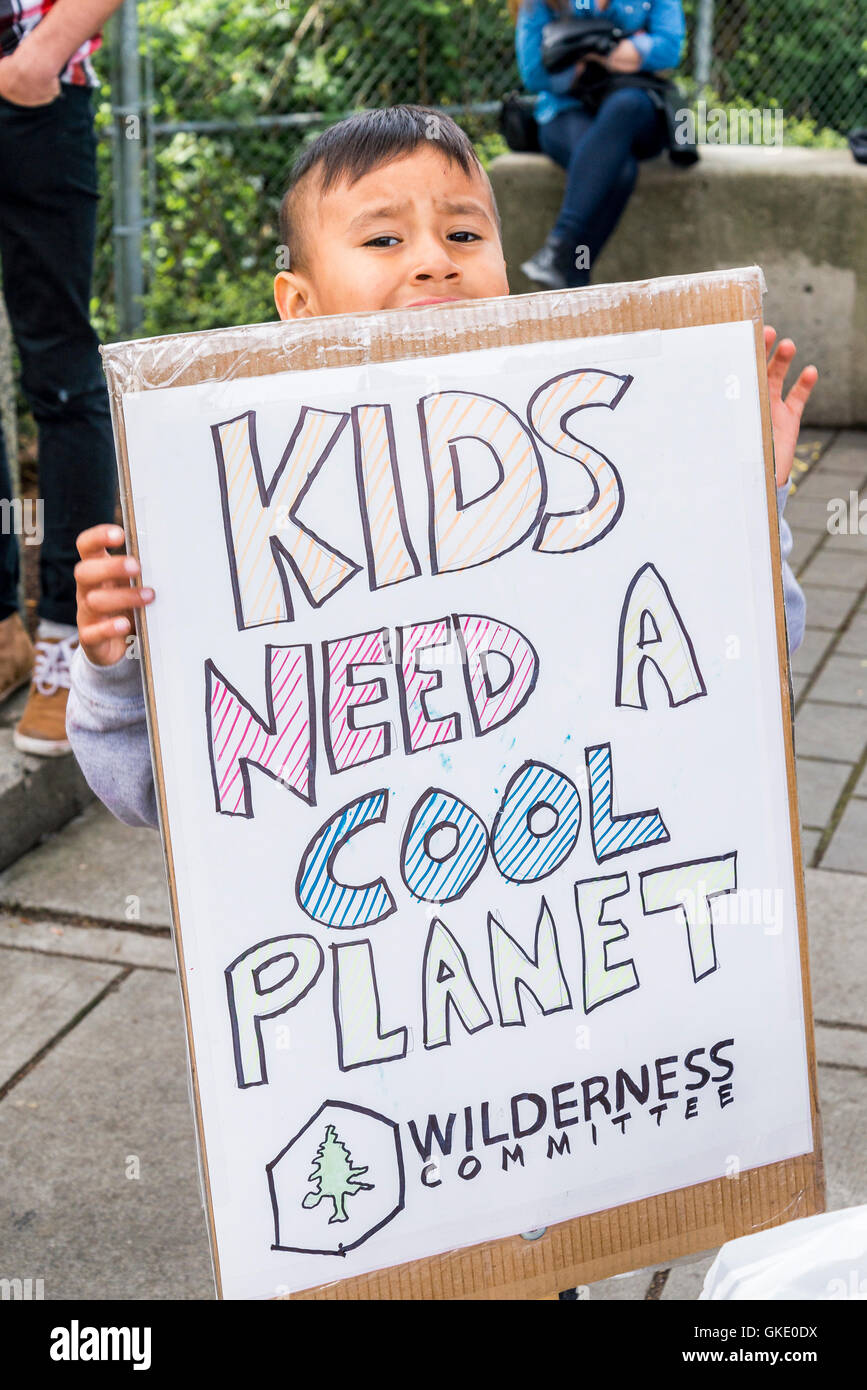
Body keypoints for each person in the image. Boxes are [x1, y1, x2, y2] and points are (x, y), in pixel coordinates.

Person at [65, 104, 816, 830]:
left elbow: (740, 671)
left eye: (462, 232)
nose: (433, 262)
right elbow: (153, 795)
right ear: (298, 302)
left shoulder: (587, 464)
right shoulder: (237, 514)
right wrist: (117, 671)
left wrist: (747, 507)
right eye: (383, 240)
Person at [0, 0, 124, 755]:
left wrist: (38, 57)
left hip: (30, 99)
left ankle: (64, 641)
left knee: (60, 375)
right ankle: (1, 629)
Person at [513, 0, 686, 289]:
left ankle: (558, 247)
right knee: (619, 169)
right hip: (565, 110)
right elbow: (534, 73)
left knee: (625, 104)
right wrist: (624, 51)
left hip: (634, 112)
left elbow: (669, 50)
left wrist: (587, 54)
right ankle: (575, 273)